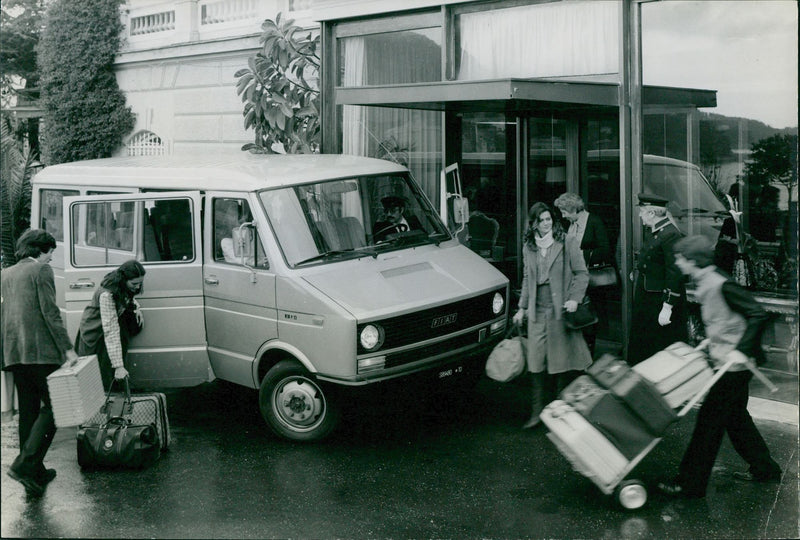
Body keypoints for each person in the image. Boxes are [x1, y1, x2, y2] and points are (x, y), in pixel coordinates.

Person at [657, 235, 782, 499]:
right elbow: (724, 319)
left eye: (681, 259)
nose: (678, 263)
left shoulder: (722, 284)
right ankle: (765, 468)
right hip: (726, 361)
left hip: (735, 365)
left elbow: (757, 313)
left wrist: (741, 349)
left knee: (708, 423)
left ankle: (690, 484)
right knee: (736, 418)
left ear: (692, 261)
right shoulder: (708, 279)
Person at [1, 229, 79, 496]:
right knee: (56, 407)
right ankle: (24, 465)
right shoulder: (41, 272)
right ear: (39, 250)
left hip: (15, 353)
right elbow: (50, 312)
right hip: (41, 351)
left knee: (29, 411)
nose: (51, 257)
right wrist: (68, 349)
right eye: (50, 251)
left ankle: (34, 471)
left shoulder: (6, 274)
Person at [512, 202, 592, 429]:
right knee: (536, 363)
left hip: (559, 309)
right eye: (542, 220)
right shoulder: (529, 246)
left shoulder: (567, 241)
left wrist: (574, 299)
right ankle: (537, 413)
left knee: (559, 362)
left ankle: (558, 415)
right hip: (537, 310)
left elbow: (582, 273)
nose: (546, 224)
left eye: (549, 219)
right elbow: (528, 278)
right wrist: (522, 308)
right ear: (534, 223)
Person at [627, 194, 688, 365]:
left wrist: (668, 305)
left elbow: (674, 272)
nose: (640, 216)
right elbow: (652, 259)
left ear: (652, 213)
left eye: (642, 212)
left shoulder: (670, 234)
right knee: (644, 344)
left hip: (658, 299)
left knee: (658, 346)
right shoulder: (654, 231)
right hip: (648, 294)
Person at [554, 192, 612, 356]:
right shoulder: (571, 225)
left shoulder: (594, 221)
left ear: (573, 209)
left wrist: (579, 255)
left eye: (564, 212)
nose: (563, 216)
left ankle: (589, 353)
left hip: (591, 280)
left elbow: (605, 249)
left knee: (588, 316)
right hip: (574, 278)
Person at [75, 260, 146, 390]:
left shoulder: (120, 284)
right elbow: (111, 330)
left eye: (140, 283)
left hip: (106, 328)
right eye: (134, 283)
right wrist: (118, 366)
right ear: (124, 279)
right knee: (100, 377)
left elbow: (127, 297)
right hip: (95, 332)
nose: (137, 287)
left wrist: (136, 307)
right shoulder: (107, 295)